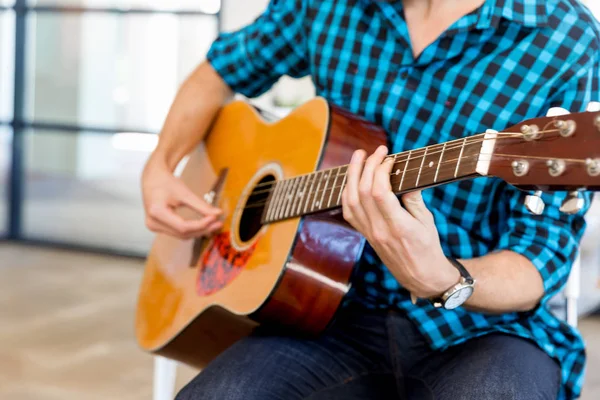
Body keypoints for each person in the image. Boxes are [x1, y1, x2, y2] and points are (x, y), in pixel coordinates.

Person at [141, 0, 600, 398]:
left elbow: (542, 257)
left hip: (480, 328)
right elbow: (219, 70)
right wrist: (162, 164)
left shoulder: (564, 37)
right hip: (322, 313)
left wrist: (445, 278)